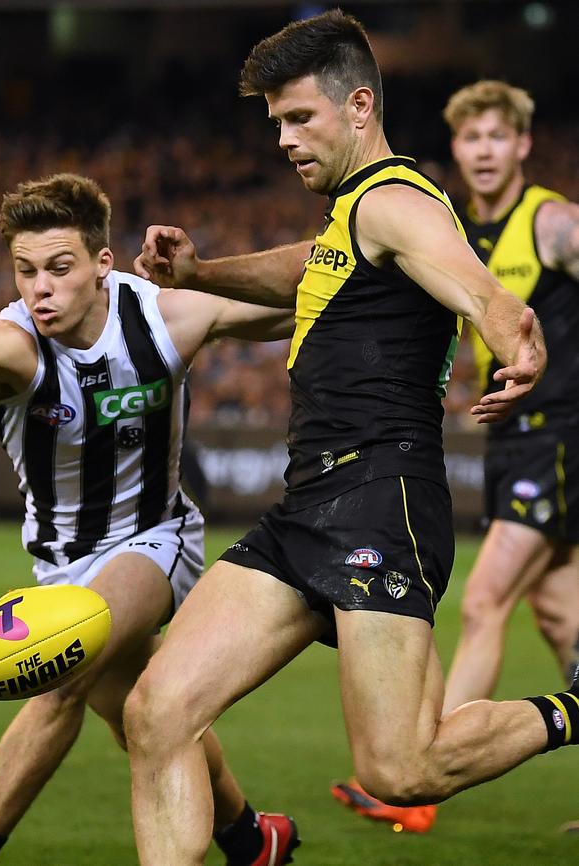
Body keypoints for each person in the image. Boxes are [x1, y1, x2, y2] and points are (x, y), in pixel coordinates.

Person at [119, 12, 577, 866]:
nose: (284, 140)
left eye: (300, 119)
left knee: (402, 769)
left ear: (358, 105)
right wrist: (201, 273)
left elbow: (477, 288)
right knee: (157, 713)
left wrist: (518, 330)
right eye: (276, 125)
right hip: (308, 509)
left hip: (381, 503)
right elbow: (304, 270)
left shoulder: (397, 201)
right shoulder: (350, 219)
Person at [0, 172, 300, 866]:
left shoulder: (165, 319)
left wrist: (397, 262)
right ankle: (253, 839)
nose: (40, 288)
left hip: (154, 539)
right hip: (60, 562)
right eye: (26, 270)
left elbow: (301, 301)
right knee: (146, 714)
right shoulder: (13, 347)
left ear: (103, 264)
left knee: (60, 670)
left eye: (60, 268)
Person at [330, 78, 579, 835]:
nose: (483, 151)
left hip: (563, 438)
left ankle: (418, 783)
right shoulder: (455, 231)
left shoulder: (555, 223)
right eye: (471, 139)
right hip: (514, 441)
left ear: (522, 146)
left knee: (484, 600)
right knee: (564, 617)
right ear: (458, 150)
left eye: (497, 137)